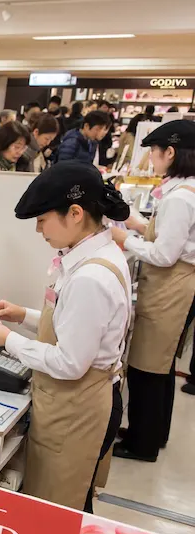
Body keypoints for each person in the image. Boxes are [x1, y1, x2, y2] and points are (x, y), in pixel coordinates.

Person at [0, 163, 131, 511]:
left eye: (43, 219)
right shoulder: (88, 257)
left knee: (57, 507)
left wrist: (8, 341)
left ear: (75, 213)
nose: (38, 230)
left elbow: (70, 362)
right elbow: (74, 324)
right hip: (75, 402)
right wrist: (24, 316)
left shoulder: (91, 276)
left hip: (77, 409)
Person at [111, 121, 195, 462]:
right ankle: (152, 433)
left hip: (170, 285)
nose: (151, 160)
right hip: (175, 282)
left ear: (170, 153)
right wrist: (137, 225)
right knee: (160, 366)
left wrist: (124, 239)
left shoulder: (180, 198)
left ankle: (141, 443)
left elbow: (164, 254)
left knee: (148, 365)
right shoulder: (184, 191)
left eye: (154, 153)